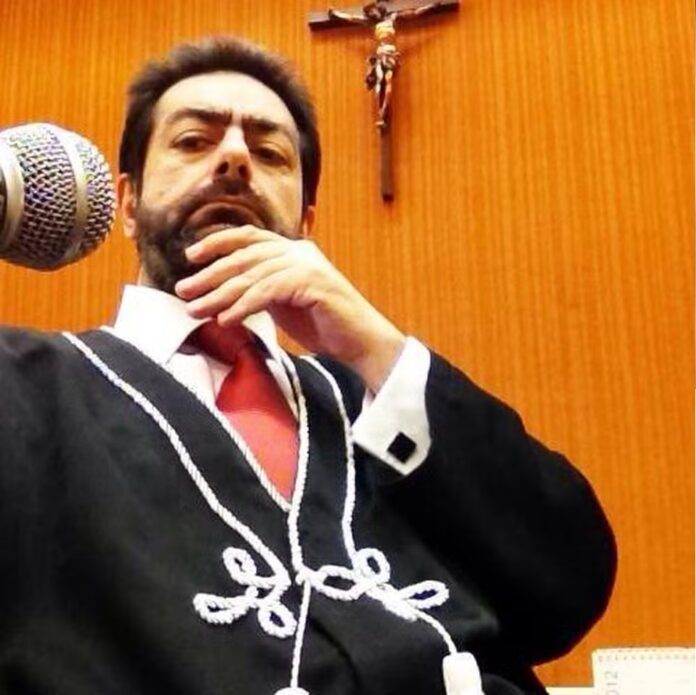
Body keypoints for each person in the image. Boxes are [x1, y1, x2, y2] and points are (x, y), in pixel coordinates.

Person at [0, 36, 616, 695]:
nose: (235, 157)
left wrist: (377, 347)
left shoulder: (379, 405)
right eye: (193, 141)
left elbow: (565, 586)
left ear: (306, 220)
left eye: (270, 153)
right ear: (127, 204)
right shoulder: (24, 389)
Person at [328, 1, 443, 127]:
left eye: (373, 10)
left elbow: (414, 13)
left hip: (391, 55)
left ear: (379, 9)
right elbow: (351, 18)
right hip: (380, 55)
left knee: (388, 82)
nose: (372, 13)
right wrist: (336, 13)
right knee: (379, 83)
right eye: (369, 12)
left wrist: (432, 6)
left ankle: (383, 111)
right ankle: (380, 114)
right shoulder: (371, 24)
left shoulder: (392, 18)